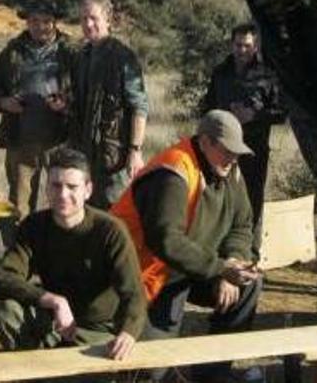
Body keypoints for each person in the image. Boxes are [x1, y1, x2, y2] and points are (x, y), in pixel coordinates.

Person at [111, 110, 262, 382]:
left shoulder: (229, 170)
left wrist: (234, 262)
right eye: (227, 150)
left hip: (192, 269)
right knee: (151, 370)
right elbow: (166, 241)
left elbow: (242, 225)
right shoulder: (174, 172)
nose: (233, 158)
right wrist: (219, 269)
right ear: (204, 142)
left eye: (237, 152)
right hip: (146, 278)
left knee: (249, 285)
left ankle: (213, 374)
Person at [0, 147, 146, 361]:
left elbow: (135, 294)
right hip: (52, 321)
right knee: (6, 312)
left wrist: (128, 333)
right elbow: (3, 278)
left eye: (72, 187)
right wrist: (54, 301)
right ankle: (34, 369)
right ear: (47, 189)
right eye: (56, 186)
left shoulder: (110, 231)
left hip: (96, 330)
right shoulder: (34, 226)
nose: (63, 195)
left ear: (88, 190)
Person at [0, 0, 74, 224]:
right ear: (27, 22)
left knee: (65, 200)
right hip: (21, 139)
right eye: (34, 20)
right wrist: (3, 103)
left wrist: (66, 104)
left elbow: (86, 93)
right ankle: (22, 254)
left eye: (46, 21)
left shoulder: (72, 52)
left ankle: (58, 252)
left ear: (55, 23)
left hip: (61, 140)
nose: (40, 26)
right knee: (19, 206)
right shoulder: (12, 52)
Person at [201, 23, 286, 261]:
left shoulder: (267, 75)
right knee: (219, 198)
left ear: (255, 46)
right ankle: (220, 253)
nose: (242, 50)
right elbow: (207, 107)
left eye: (247, 45)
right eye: (238, 45)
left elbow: (282, 112)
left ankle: (251, 256)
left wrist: (254, 115)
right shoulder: (221, 72)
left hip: (253, 150)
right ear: (232, 44)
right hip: (220, 150)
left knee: (252, 203)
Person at [69, 0, 148, 209]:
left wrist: (135, 151)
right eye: (83, 18)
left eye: (93, 18)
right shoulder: (81, 57)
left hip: (114, 156)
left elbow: (139, 107)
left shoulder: (123, 57)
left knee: (116, 213)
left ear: (107, 20)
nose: (88, 23)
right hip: (85, 152)